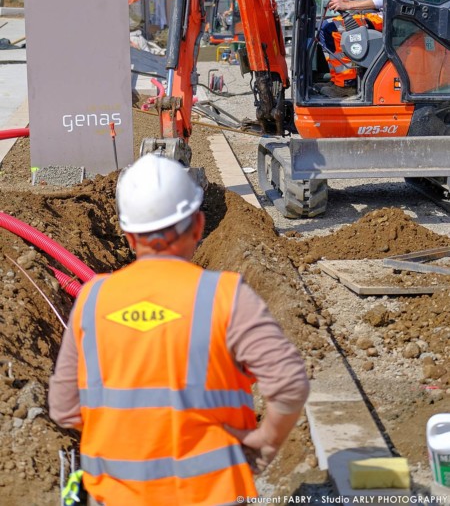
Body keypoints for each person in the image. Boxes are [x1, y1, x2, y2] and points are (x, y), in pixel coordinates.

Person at [49, 153, 310, 506]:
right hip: (212, 494)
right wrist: (261, 448)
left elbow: (65, 409)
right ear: (199, 226)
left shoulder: (92, 300)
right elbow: (290, 384)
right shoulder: (226, 297)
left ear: (127, 237)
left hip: (114, 495)